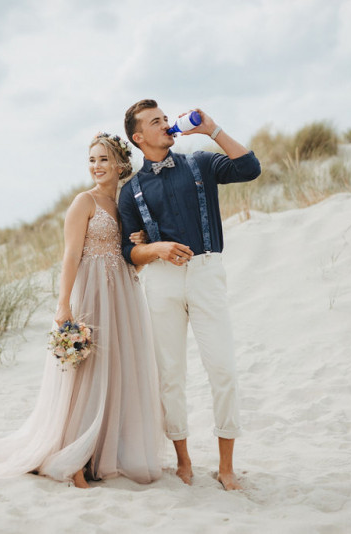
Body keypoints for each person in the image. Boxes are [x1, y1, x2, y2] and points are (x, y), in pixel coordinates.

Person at [0, 133, 163, 488]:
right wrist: (64, 304)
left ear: (121, 164)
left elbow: (132, 263)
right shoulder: (83, 202)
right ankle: (71, 455)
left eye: (104, 159)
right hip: (90, 290)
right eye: (92, 159)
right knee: (84, 372)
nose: (96, 166)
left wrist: (140, 247)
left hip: (122, 293)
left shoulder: (127, 205)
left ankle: (103, 453)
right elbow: (70, 255)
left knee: (117, 369)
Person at [118, 99, 261, 491]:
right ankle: (183, 460)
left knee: (224, 371)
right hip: (162, 282)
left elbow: (249, 168)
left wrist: (212, 130)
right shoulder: (130, 191)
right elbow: (128, 252)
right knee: (171, 377)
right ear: (138, 137)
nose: (165, 124)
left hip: (206, 274)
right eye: (155, 121)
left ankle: (226, 466)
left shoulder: (200, 162)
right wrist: (156, 249)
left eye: (165, 118)